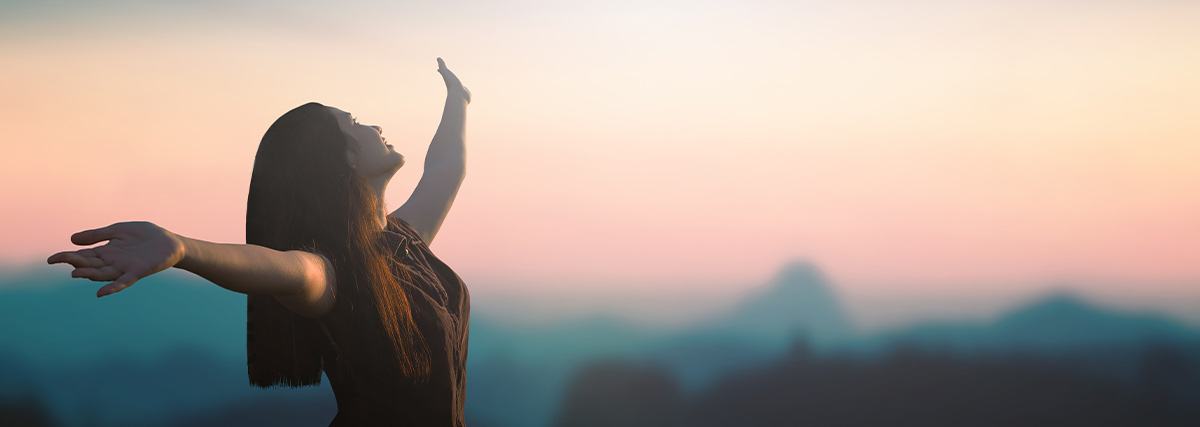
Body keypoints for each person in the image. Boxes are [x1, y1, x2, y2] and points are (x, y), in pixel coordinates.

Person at [47, 58, 472, 426]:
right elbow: (278, 266)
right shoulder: (333, 269)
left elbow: (447, 168)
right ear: (343, 159)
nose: (374, 125)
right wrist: (183, 248)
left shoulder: (406, 243)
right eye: (355, 123)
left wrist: (459, 100)